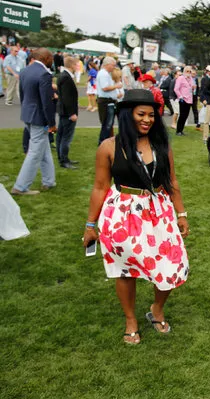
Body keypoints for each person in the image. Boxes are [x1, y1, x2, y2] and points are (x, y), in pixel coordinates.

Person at [83, 89, 190, 345]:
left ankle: (156, 309)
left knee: (171, 265)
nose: (147, 119)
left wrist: (181, 212)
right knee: (125, 269)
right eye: (141, 114)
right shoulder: (109, 147)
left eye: (151, 115)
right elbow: (99, 187)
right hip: (123, 215)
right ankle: (130, 319)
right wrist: (89, 225)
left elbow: (171, 180)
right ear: (127, 115)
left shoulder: (161, 145)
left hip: (158, 212)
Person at [11, 48, 57, 196]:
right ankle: (20, 186)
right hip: (39, 117)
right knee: (35, 152)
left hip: (28, 115)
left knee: (44, 149)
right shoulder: (44, 74)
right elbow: (46, 102)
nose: (52, 60)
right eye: (51, 57)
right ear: (46, 58)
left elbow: (23, 95)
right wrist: (51, 123)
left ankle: (49, 181)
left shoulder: (25, 71)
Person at [56, 56, 80, 169]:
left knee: (61, 135)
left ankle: (62, 158)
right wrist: (72, 113)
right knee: (66, 137)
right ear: (71, 65)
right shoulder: (66, 77)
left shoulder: (64, 76)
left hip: (63, 111)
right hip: (67, 113)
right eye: (76, 64)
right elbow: (67, 98)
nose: (78, 66)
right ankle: (64, 160)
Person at [96, 57, 122, 144]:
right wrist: (116, 86)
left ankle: (104, 141)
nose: (113, 67)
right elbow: (105, 88)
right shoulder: (104, 74)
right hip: (106, 102)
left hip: (109, 101)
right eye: (113, 65)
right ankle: (103, 142)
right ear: (107, 64)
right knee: (107, 124)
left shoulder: (105, 73)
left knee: (108, 124)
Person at [174, 65, 194, 136]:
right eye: (187, 71)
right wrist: (180, 97)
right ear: (184, 71)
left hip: (189, 99)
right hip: (183, 99)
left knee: (186, 115)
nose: (188, 73)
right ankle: (178, 130)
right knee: (182, 115)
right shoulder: (180, 78)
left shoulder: (191, 78)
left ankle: (181, 130)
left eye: (189, 71)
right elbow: (176, 89)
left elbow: (192, 88)